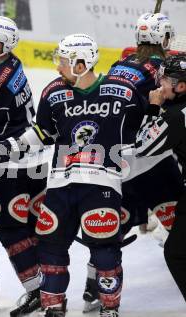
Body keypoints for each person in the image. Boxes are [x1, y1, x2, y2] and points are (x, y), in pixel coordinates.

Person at [9, 34, 148, 316]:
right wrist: (15, 146)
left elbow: (141, 128)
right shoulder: (54, 93)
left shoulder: (123, 90)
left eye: (62, 61)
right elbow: (43, 132)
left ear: (81, 63)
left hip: (102, 183)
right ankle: (54, 307)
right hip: (60, 183)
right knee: (50, 246)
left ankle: (109, 307)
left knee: (104, 249)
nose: (58, 68)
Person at [78, 12, 183, 312]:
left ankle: (92, 288)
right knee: (177, 220)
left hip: (117, 162)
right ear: (165, 39)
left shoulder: (118, 65)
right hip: (152, 160)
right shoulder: (164, 69)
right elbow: (170, 107)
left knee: (113, 226)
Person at [0, 16, 48, 317]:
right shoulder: (11, 63)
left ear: (1, 45)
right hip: (30, 156)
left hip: (9, 163)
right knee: (29, 227)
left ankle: (37, 291)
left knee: (11, 230)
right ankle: (47, 287)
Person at [135, 53, 186, 302]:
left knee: (176, 252)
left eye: (165, 79)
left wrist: (153, 107)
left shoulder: (176, 117)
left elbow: (142, 146)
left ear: (182, 86)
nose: (160, 84)